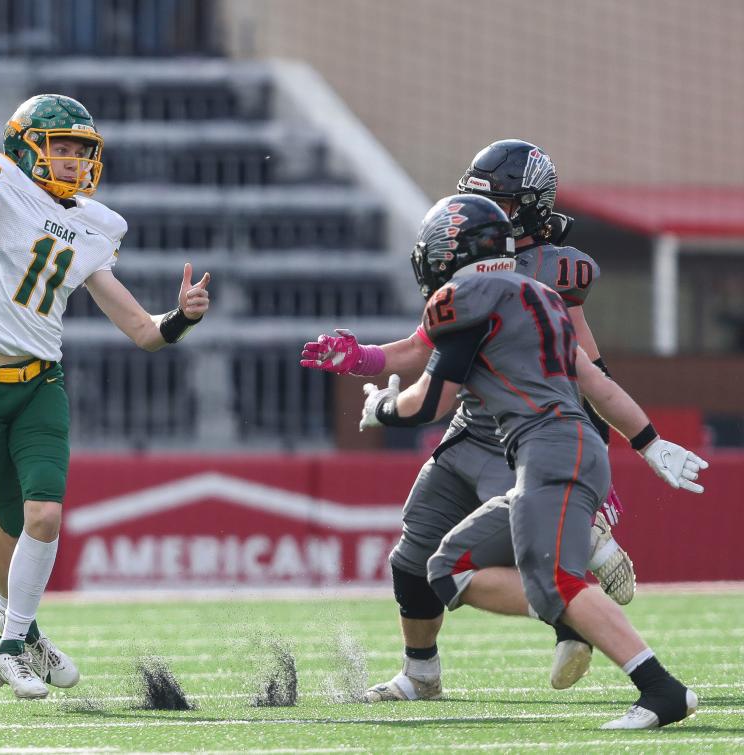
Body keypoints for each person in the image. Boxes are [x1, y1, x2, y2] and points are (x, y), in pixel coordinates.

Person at [0, 30, 211, 699]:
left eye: (79, 150)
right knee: (12, 524)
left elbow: (143, 332)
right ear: (25, 148)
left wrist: (181, 315)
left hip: (41, 382)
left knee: (42, 516)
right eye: (58, 146)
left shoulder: (97, 225)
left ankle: (11, 646)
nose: (70, 160)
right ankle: (25, 631)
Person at [359, 193, 706, 729]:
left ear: (450, 252)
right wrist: (649, 442)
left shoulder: (465, 297)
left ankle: (660, 689)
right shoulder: (539, 296)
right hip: (561, 448)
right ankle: (572, 605)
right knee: (444, 566)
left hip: (549, 451)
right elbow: (596, 384)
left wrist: (380, 406)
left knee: (558, 584)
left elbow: (430, 402)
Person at [301, 140, 631, 701]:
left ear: (528, 204)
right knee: (412, 557)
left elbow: (589, 373)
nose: (480, 213)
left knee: (519, 555)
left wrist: (603, 475)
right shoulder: (470, 262)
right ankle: (421, 675)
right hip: (468, 433)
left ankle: (582, 616)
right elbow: (419, 346)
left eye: (497, 200)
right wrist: (362, 359)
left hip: (521, 437)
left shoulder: (554, 269)